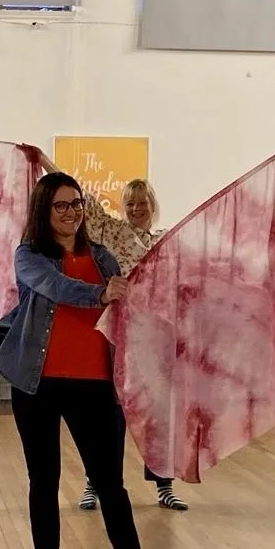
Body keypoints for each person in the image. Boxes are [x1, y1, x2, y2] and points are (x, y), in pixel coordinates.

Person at [0, 172, 169, 549]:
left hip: (94, 383)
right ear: (44, 210)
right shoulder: (29, 255)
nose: (72, 212)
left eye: (76, 204)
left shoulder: (103, 257)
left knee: (109, 481)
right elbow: (57, 287)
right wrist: (102, 294)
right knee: (43, 477)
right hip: (36, 383)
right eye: (61, 205)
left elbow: (127, 301)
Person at [76, 178, 188, 513]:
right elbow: (85, 202)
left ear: (152, 205)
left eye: (142, 203)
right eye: (130, 203)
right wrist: (42, 161)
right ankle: (95, 483)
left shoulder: (168, 241)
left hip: (157, 335)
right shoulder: (113, 232)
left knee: (159, 410)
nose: (136, 209)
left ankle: (164, 485)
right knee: (109, 410)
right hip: (120, 332)